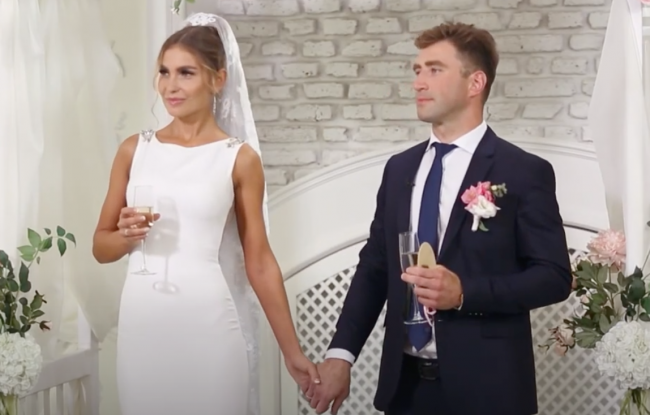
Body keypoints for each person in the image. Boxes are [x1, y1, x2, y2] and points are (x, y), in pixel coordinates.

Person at [307, 22, 572, 415]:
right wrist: (341, 354)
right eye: (417, 70)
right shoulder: (399, 169)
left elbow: (554, 276)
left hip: (490, 393)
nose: (418, 82)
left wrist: (465, 293)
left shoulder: (523, 171)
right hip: (405, 389)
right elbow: (376, 265)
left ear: (475, 82)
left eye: (434, 69)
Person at [92, 13, 319, 415]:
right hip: (143, 329)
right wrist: (126, 237)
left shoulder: (239, 158)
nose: (170, 85)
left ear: (218, 79)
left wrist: (292, 352)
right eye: (164, 72)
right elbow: (100, 247)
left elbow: (259, 261)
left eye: (186, 73)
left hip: (210, 329)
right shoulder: (134, 150)